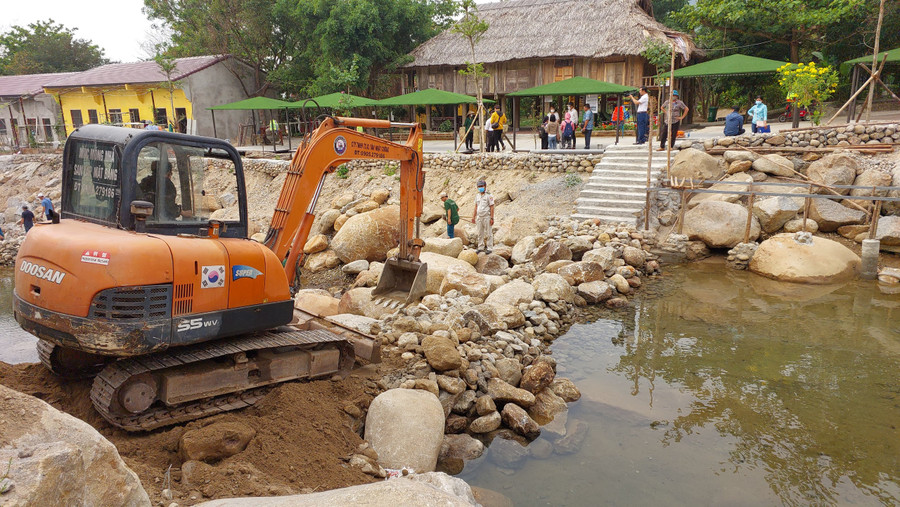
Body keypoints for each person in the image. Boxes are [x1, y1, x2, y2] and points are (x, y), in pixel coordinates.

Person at [471, 179, 494, 253]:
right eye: (479, 186)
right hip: (479, 217)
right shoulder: (477, 196)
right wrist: (473, 217)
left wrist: (492, 218)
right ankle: (480, 247)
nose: (480, 188)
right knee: (480, 233)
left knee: (489, 233)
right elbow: (475, 207)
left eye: (481, 186)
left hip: (487, 217)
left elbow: (492, 207)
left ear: (485, 186)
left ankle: (489, 248)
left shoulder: (489, 196)